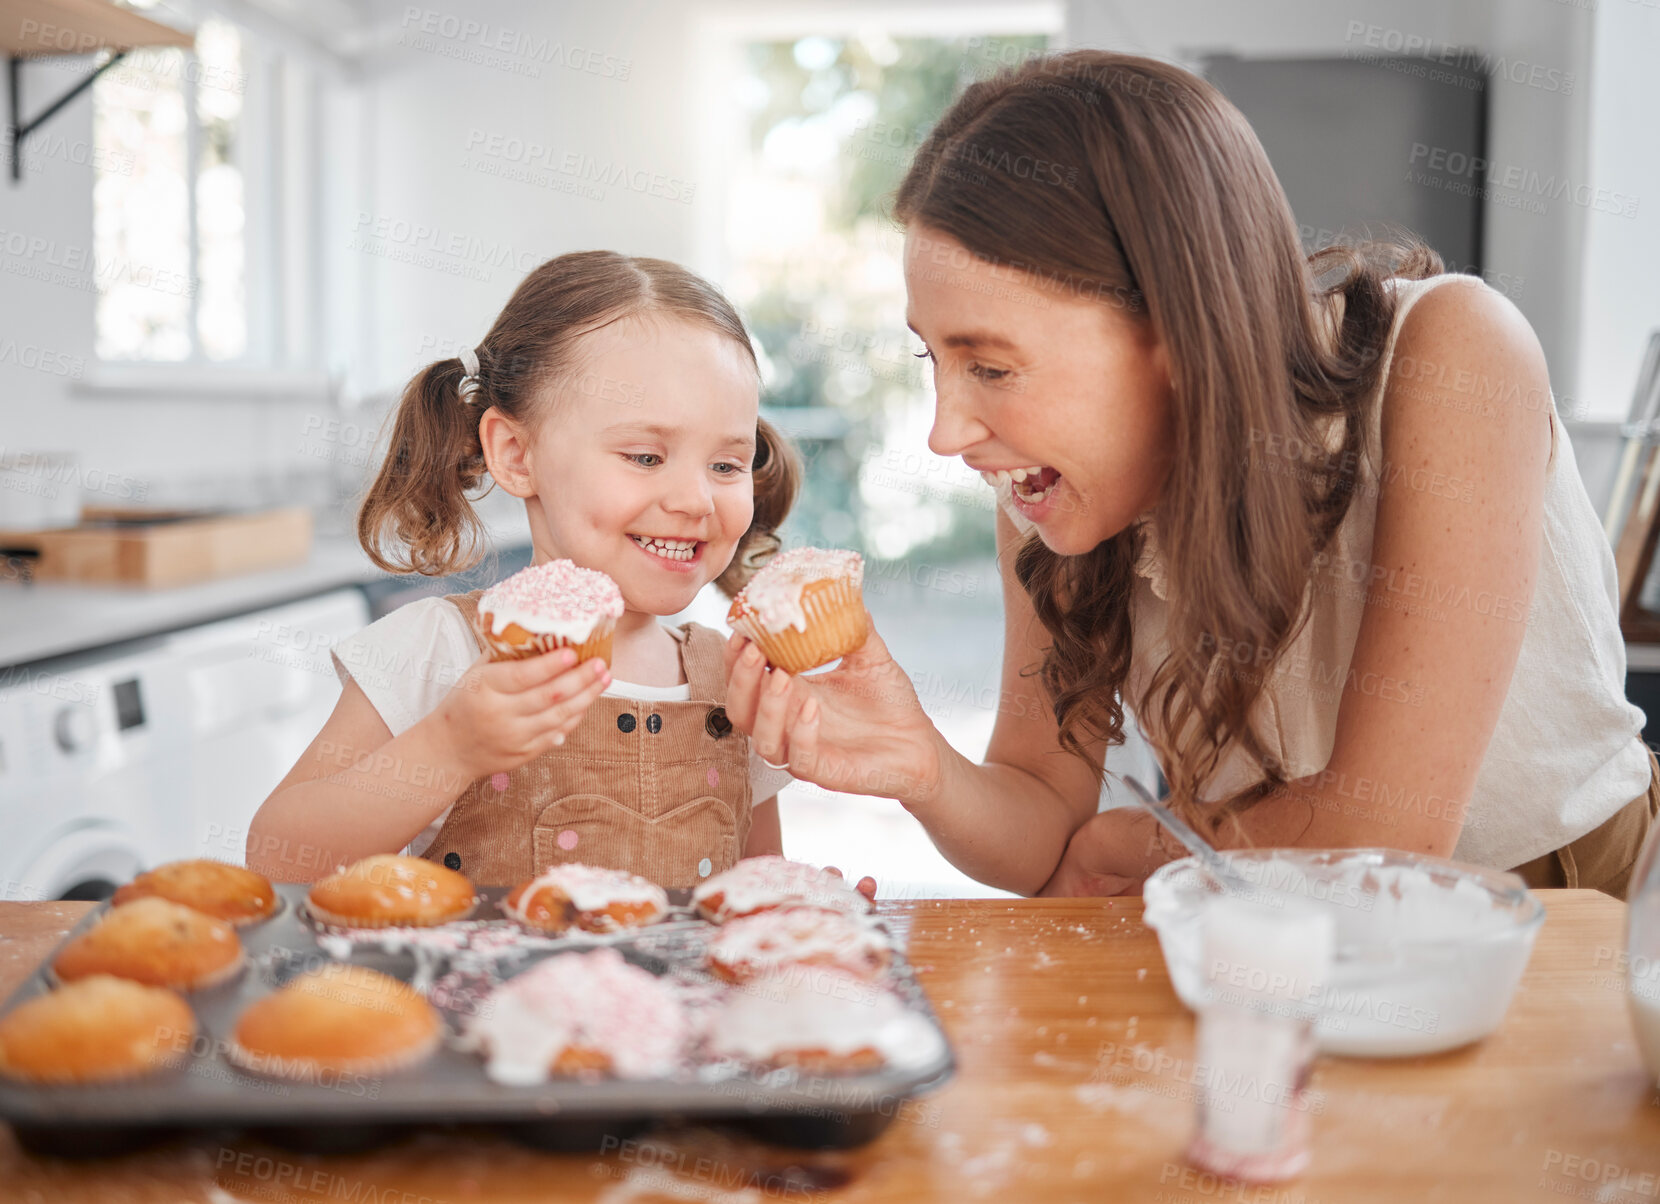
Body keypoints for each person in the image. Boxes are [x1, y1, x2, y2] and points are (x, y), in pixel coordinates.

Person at [722, 50, 1658, 899]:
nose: (947, 432)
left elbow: (1388, 836)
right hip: (1265, 914)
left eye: (993, 368)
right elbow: (1047, 825)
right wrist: (919, 761)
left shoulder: (1452, 356)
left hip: (1563, 912)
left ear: (1174, 329)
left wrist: (1143, 845)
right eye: (936, 361)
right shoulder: (1050, 492)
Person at [248, 251, 863, 891]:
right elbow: (276, 856)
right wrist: (449, 748)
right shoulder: (440, 649)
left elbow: (755, 888)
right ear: (516, 455)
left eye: (727, 465)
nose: (695, 501)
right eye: (647, 456)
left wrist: (805, 909)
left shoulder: (734, 679)